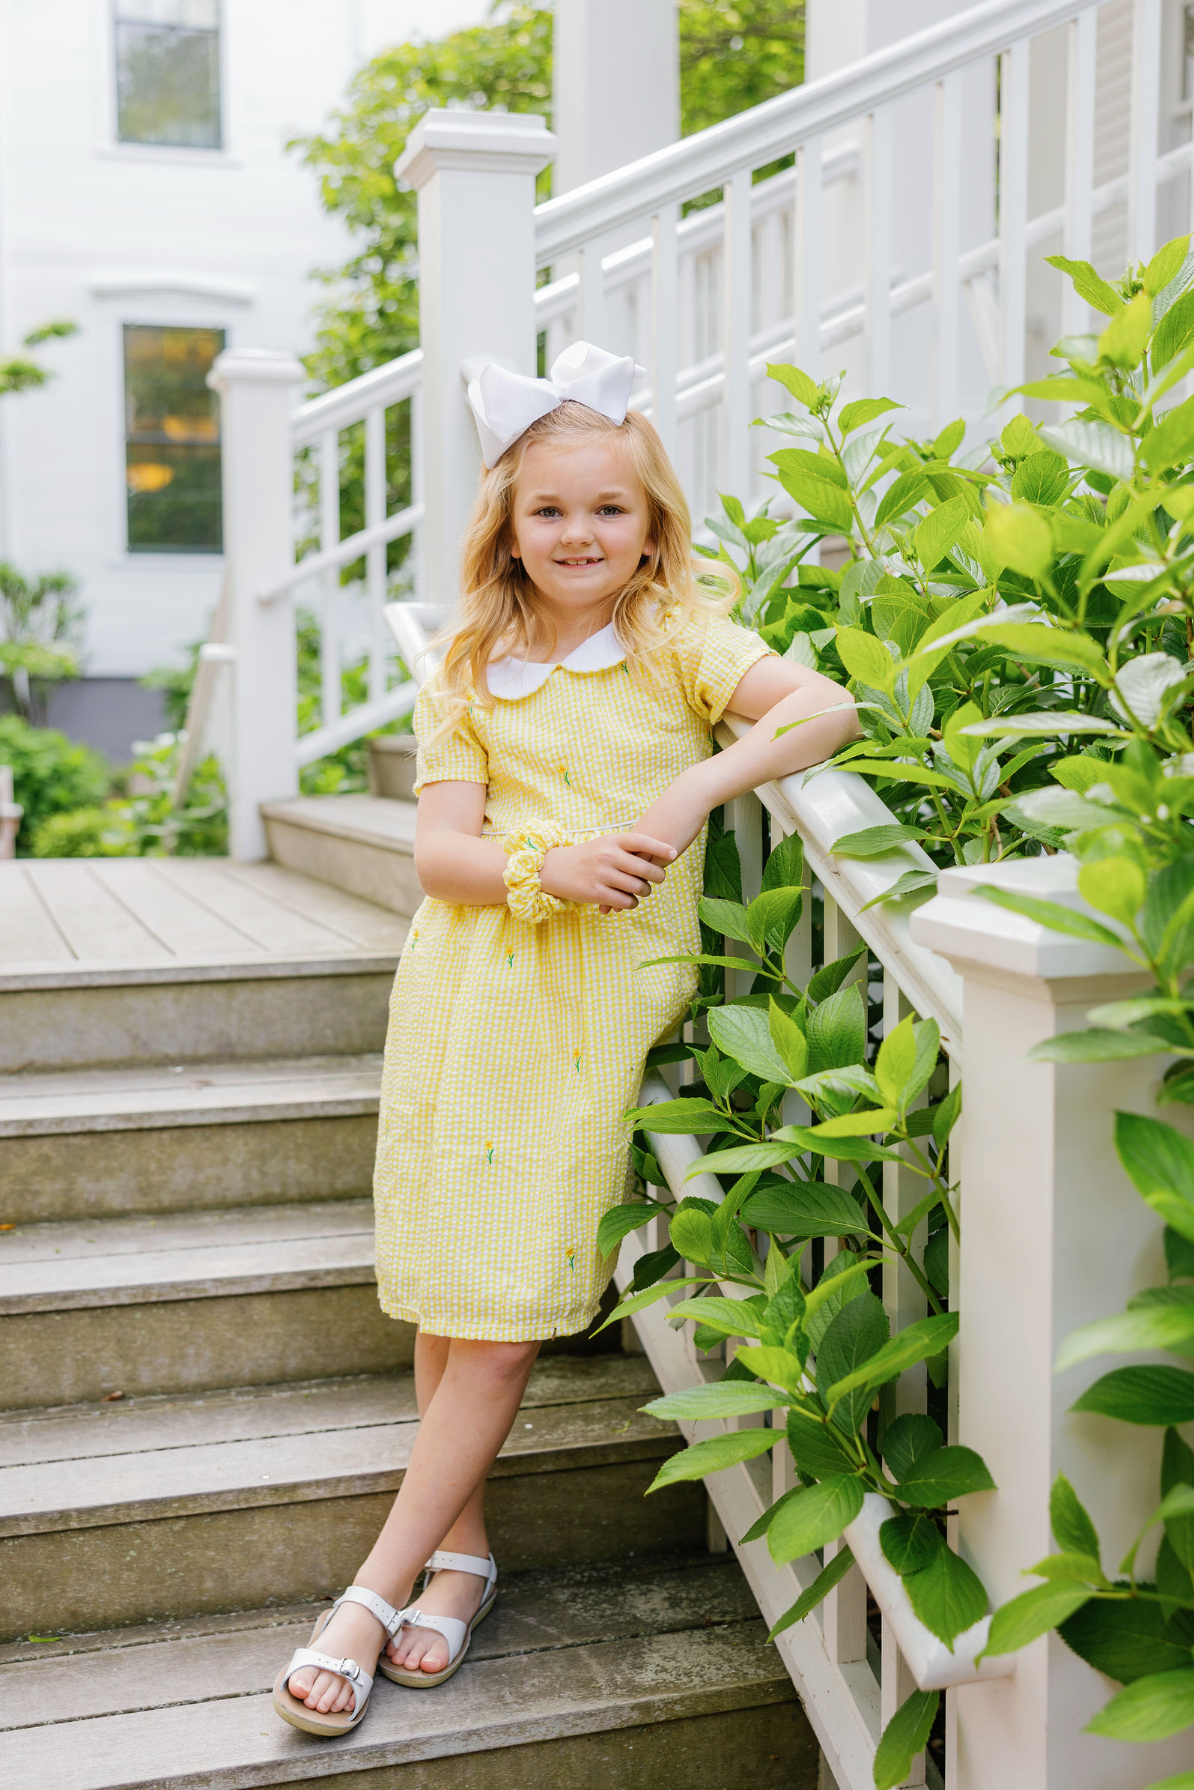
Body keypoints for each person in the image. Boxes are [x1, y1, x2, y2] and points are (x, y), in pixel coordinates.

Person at [273, 341, 858, 1736]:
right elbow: (437, 852)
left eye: (608, 509)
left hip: (592, 1001)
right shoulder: (473, 662)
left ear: (650, 522)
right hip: (471, 982)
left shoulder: (677, 644)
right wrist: (548, 866)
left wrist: (690, 791)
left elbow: (822, 707)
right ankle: (459, 1557)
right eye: (550, 511)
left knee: (500, 1314)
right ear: (508, 525)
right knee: (448, 1285)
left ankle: (367, 1587)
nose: (579, 534)